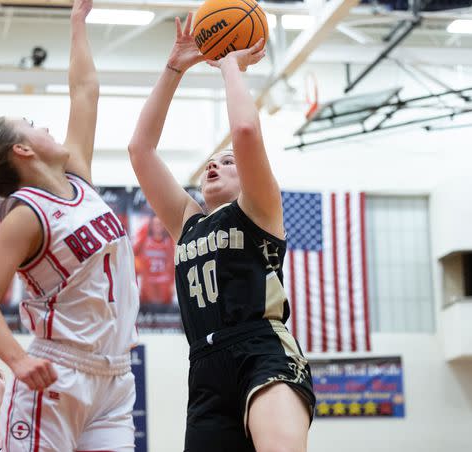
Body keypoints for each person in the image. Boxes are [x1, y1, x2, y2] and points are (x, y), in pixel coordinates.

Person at [0, 1, 140, 450]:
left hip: (115, 375)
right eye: (32, 125)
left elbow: (85, 91)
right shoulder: (25, 216)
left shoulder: (80, 181)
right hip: (59, 373)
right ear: (23, 150)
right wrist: (16, 360)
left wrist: (77, 23)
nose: (47, 127)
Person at [127, 14, 315, 452]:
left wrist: (230, 63)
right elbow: (140, 150)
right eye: (210, 162)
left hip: (262, 351)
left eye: (227, 161)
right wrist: (174, 67)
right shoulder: (187, 222)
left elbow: (246, 130)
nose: (214, 164)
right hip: (204, 369)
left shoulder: (260, 209)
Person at [133, 214, 176, 305]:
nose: (158, 227)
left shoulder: (170, 242)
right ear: (151, 226)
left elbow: (175, 263)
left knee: (165, 317)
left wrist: (173, 283)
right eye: (155, 224)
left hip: (165, 286)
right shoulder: (144, 240)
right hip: (148, 286)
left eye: (160, 224)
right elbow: (133, 253)